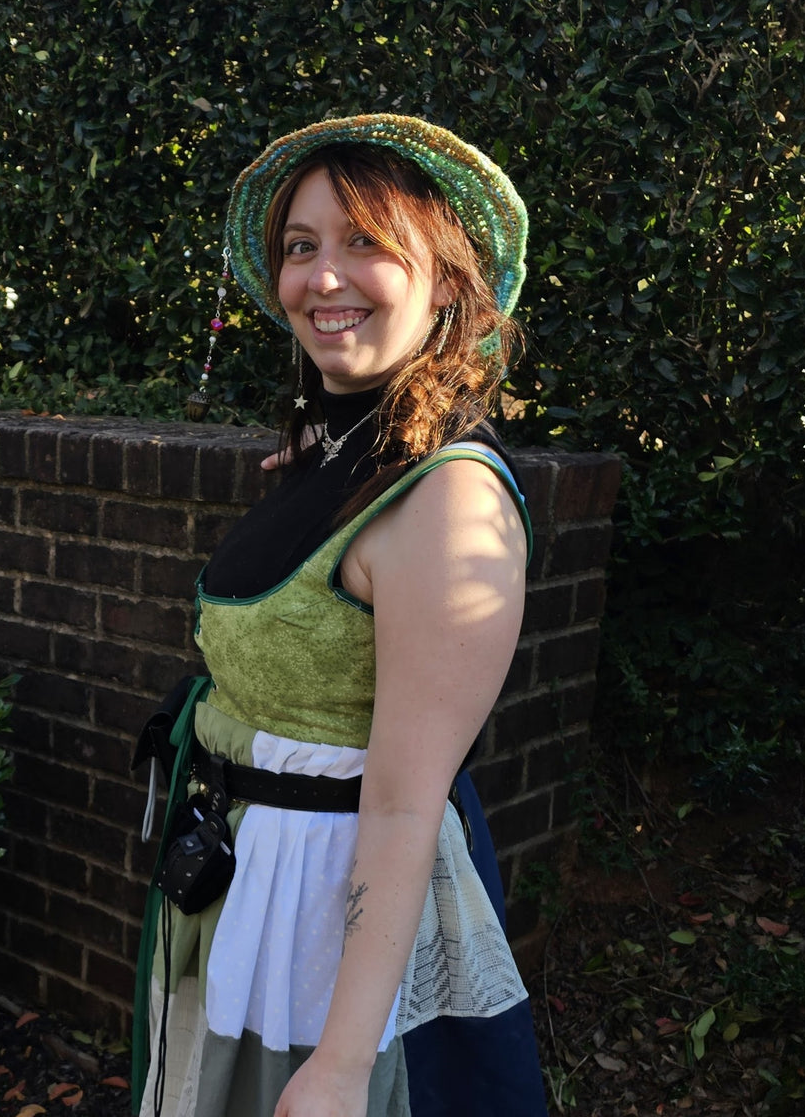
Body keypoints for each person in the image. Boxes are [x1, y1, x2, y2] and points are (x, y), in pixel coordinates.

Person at [135, 115, 549, 1117]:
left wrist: (341, 1065)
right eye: (300, 245)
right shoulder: (341, 457)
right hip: (251, 892)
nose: (322, 277)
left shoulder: (448, 502)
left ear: (445, 279)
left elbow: (405, 805)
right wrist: (319, 465)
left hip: (332, 938)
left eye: (366, 240)